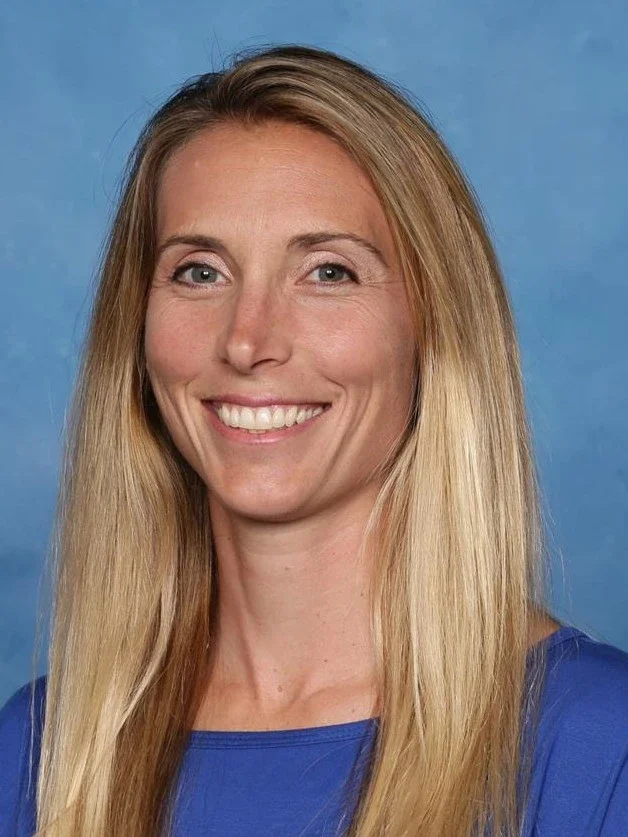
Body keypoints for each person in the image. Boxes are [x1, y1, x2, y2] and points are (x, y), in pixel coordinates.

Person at [0, 43, 627, 837]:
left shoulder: (600, 745)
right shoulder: (40, 752)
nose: (247, 340)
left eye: (328, 272)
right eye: (199, 271)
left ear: (433, 328)